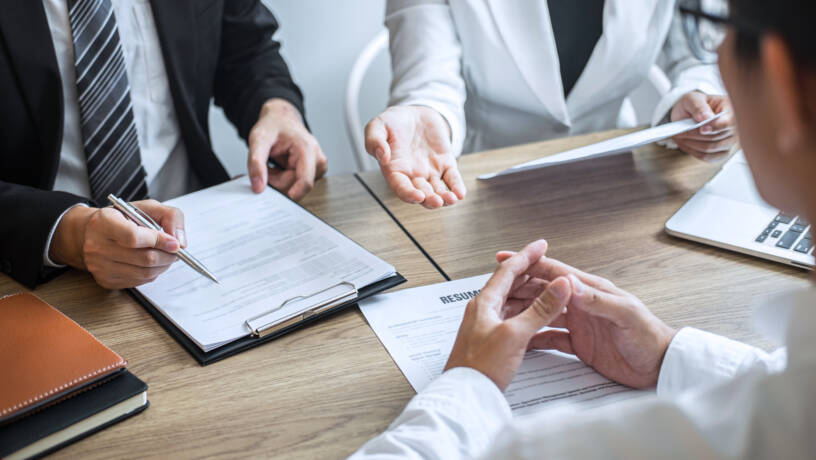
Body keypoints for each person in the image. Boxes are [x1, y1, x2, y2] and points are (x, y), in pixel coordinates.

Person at [350, 0, 815, 458]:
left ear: (778, 76)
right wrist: (669, 355)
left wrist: (472, 381)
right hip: (479, 196)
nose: (718, 52)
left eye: (725, 29)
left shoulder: (556, 445)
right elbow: (782, 390)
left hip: (619, 198)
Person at [0, 0, 327, 289]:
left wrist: (278, 109)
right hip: (43, 273)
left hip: (196, 234)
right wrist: (66, 233)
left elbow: (246, 48)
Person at [365, 0, 739, 209]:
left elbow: (697, 57)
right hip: (478, 193)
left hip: (621, 189)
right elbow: (430, 81)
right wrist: (425, 113)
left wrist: (696, 102)